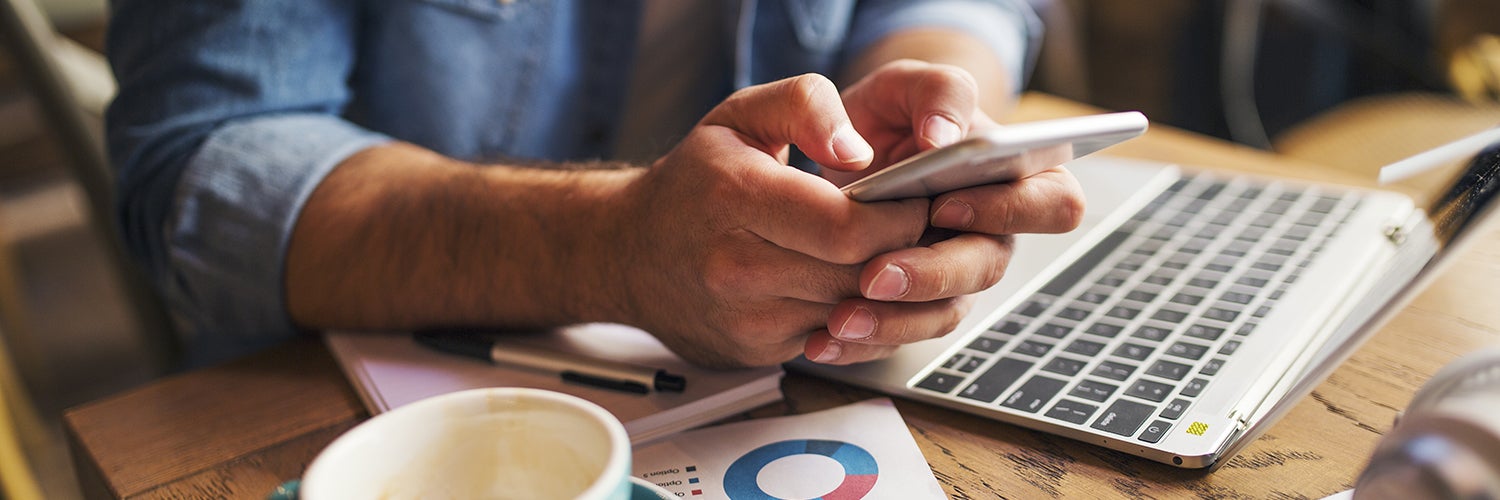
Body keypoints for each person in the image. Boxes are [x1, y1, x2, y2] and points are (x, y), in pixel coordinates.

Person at [105, 0, 1084, 369]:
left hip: (784, 381)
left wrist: (928, 119)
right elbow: (198, 167)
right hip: (363, 403)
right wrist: (613, 246)